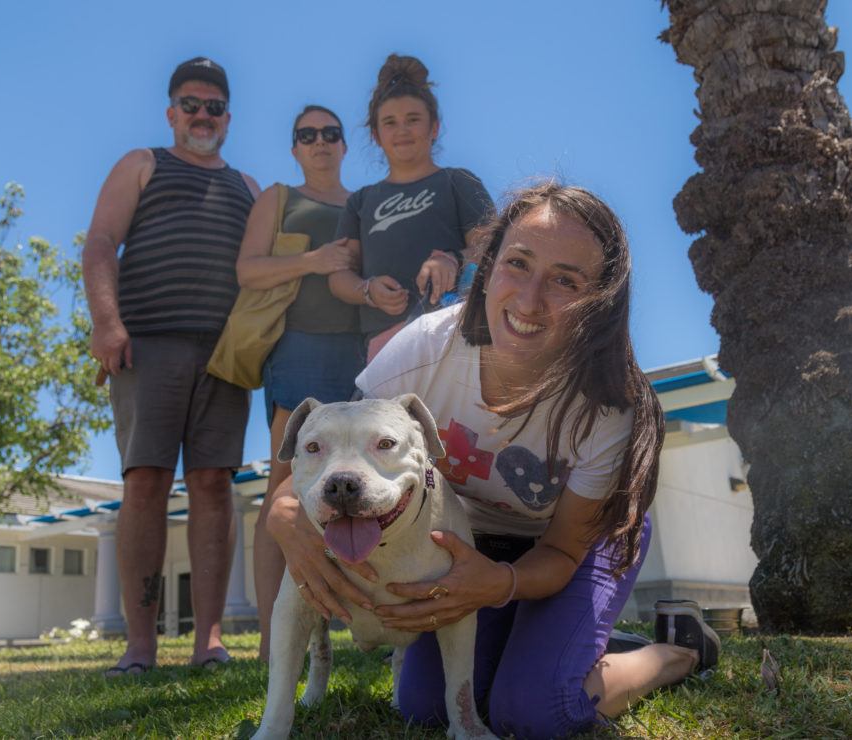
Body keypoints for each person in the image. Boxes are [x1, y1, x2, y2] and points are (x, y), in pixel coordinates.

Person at [267, 183, 722, 738]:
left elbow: (558, 551)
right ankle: (560, 643)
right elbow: (337, 460)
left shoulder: (606, 406)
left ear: (599, 300)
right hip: (469, 542)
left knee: (535, 712)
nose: (529, 301)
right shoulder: (419, 353)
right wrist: (282, 518)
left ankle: (676, 652)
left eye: (564, 281)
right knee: (426, 708)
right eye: (517, 264)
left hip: (573, 542)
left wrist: (498, 585)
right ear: (486, 267)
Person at [82, 56, 260, 675]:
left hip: (223, 356)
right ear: (171, 113)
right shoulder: (142, 165)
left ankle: (208, 640)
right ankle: (140, 646)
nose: (202, 115)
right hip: (147, 344)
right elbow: (101, 242)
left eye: (213, 107)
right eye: (191, 104)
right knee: (145, 483)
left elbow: (269, 272)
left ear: (228, 118)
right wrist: (108, 323)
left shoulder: (250, 188)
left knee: (215, 486)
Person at [236, 105, 365, 663]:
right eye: (306, 134)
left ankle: (368, 629)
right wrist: (316, 260)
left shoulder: (364, 203)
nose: (319, 141)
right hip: (300, 347)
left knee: (363, 495)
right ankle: (273, 642)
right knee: (285, 491)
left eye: (330, 133)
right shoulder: (279, 196)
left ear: (344, 143)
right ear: (294, 147)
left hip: (362, 354)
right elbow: (248, 270)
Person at [329, 53, 495, 362]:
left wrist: (453, 260)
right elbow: (339, 277)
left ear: (434, 127)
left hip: (453, 332)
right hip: (384, 345)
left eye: (413, 119)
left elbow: (493, 247)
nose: (402, 130)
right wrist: (367, 290)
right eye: (390, 123)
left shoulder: (458, 181)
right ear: (376, 136)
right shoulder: (361, 200)